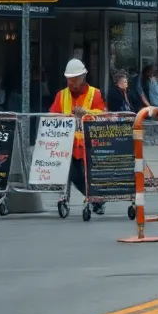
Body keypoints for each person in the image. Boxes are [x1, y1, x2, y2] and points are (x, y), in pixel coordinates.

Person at [48, 59, 106, 214]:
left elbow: (103, 114)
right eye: (69, 79)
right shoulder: (61, 95)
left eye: (75, 79)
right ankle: (96, 199)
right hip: (67, 145)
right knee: (75, 176)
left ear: (83, 77)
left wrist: (86, 113)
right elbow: (52, 115)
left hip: (88, 145)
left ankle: (96, 199)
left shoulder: (95, 94)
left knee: (87, 175)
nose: (72, 82)